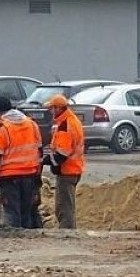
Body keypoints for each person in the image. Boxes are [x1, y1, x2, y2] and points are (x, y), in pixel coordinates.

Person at [0, 96, 43, 228]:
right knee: (27, 213)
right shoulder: (32, 124)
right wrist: (38, 176)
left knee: (12, 215)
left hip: (9, 178)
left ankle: (15, 245)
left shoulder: (2, 129)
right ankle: (29, 243)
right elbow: (40, 153)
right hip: (30, 176)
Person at [42, 94, 85, 229]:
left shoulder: (65, 126)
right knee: (67, 206)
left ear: (58, 108)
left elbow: (62, 154)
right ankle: (69, 231)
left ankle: (67, 234)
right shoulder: (71, 121)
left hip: (67, 171)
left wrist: (46, 161)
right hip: (74, 169)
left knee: (64, 207)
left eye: (52, 108)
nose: (50, 111)